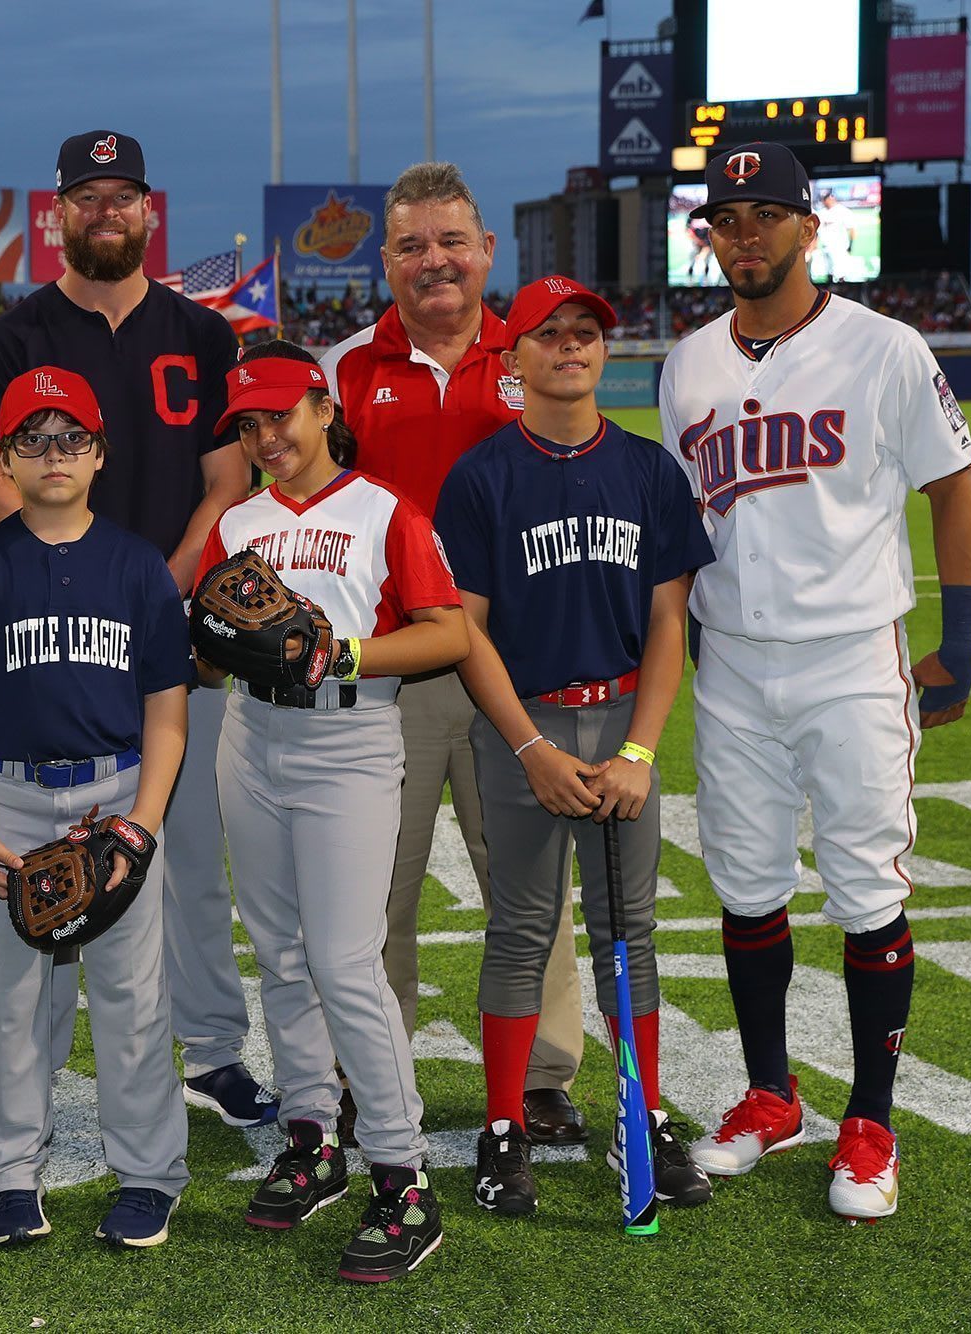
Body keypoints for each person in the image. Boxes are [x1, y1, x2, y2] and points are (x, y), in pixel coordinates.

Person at [660, 142, 971, 1221]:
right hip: (732, 660)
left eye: (765, 215)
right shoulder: (687, 363)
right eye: (726, 218)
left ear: (810, 227)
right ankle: (768, 1093)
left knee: (864, 889)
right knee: (745, 882)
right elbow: (682, 522)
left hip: (852, 655)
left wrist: (963, 641)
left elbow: (950, 487)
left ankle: (872, 1117)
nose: (743, 235)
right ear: (706, 235)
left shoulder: (883, 346)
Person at [0, 130, 270, 1129]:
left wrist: (147, 589)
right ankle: (31, 1075)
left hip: (179, 629)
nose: (105, 212)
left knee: (187, 857)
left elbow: (227, 483)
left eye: (120, 195)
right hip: (47, 644)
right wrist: (81, 592)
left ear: (147, 209)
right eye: (85, 197)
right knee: (45, 868)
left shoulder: (204, 335)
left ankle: (212, 1049)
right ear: (58, 215)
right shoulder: (13, 338)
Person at [433, 276, 717, 1217]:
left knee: (627, 933)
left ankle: (643, 1112)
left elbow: (669, 621)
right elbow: (466, 631)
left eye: (586, 331)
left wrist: (639, 751)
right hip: (527, 725)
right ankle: (505, 1122)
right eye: (548, 334)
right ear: (513, 359)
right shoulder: (483, 476)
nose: (570, 347)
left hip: (623, 714)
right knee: (520, 928)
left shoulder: (646, 470)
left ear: (606, 349)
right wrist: (527, 749)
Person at [321, 161, 587, 1143]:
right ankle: (368, 1072)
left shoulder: (536, 356)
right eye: (409, 245)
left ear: (484, 252)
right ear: (384, 261)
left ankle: (544, 1072)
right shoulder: (344, 366)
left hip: (513, 662)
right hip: (390, 665)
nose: (432, 260)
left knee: (525, 876)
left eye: (448, 241)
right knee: (367, 885)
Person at [198, 343, 468, 1283]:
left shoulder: (385, 509)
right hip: (251, 737)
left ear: (323, 406)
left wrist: (336, 652)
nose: (267, 437)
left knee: (345, 960)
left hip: (350, 739)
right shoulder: (237, 520)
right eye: (249, 424)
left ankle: (403, 1175)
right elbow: (204, 647)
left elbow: (447, 632)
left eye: (281, 415)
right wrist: (220, 643)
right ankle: (311, 1136)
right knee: (277, 951)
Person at [0, 366, 193, 1250]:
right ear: (1, 459)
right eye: (31, 440)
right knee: (6, 999)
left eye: (71, 437)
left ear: (100, 452)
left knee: (131, 996)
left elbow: (167, 713)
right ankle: (7, 1171)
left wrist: (142, 824)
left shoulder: (137, 565)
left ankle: (148, 1172)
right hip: (5, 793)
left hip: (114, 792)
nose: (53, 454)